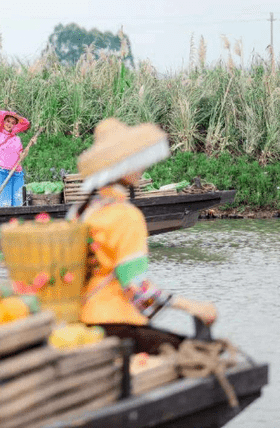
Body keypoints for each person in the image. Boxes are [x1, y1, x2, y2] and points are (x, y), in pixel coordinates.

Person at [69, 118, 217, 355]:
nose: (140, 167)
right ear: (120, 166)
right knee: (194, 352)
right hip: (116, 323)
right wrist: (192, 306)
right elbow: (137, 289)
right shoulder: (125, 215)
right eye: (133, 161)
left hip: (79, 321)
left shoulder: (81, 212)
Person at [0, 89, 30, 207]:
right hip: (3, 172)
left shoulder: (17, 139)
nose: (9, 124)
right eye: (7, 121)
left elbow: (20, 156)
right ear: (4, 122)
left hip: (17, 174)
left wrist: (24, 154)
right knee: (4, 204)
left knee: (18, 204)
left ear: (15, 125)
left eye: (12, 122)